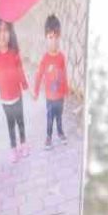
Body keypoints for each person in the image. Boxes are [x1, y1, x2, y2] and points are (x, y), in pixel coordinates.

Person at [0, 16, 29, 162]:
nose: (2, 35)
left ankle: (23, 144)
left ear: (11, 32)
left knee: (20, 121)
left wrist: (24, 84)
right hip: (5, 99)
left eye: (5, 30)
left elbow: (20, 70)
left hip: (17, 96)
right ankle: (13, 149)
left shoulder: (14, 53)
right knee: (10, 124)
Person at [33, 14, 69, 149]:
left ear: (59, 37)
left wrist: (66, 90)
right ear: (46, 38)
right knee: (49, 118)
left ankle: (60, 132)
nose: (53, 41)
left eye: (56, 37)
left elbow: (64, 74)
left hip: (60, 97)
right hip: (49, 97)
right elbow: (38, 75)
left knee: (59, 117)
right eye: (50, 37)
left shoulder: (61, 57)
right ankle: (48, 137)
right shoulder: (45, 58)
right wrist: (36, 92)